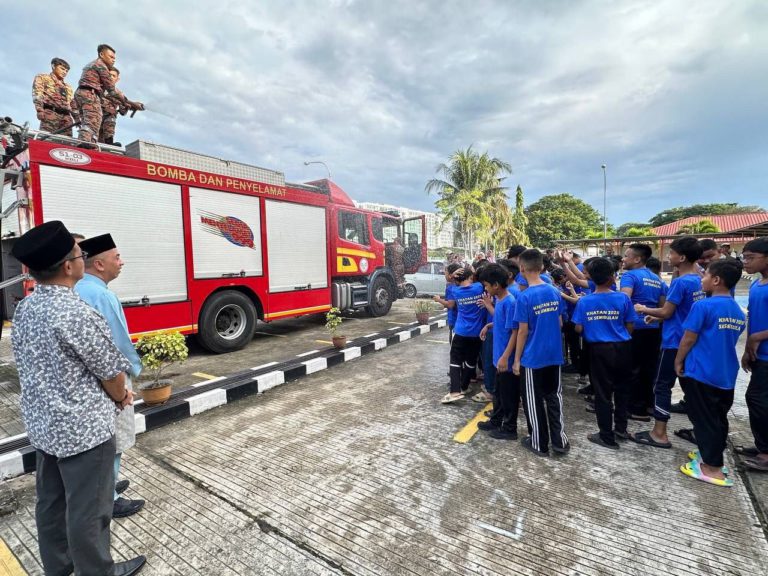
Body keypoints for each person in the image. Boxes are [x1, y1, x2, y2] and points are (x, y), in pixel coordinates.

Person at [10, 221, 146, 576]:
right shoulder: (77, 313)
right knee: (90, 512)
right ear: (69, 266)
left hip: (44, 428)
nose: (83, 259)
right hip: (84, 433)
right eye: (79, 254)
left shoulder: (25, 309)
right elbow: (110, 373)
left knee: (51, 504)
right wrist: (121, 396)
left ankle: (59, 567)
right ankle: (97, 572)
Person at [75, 234, 145, 518]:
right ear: (100, 264)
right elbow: (119, 343)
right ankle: (110, 497)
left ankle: (110, 485)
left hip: (88, 383)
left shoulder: (77, 289)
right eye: (117, 257)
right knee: (114, 439)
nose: (122, 262)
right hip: (110, 380)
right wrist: (133, 374)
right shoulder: (102, 295)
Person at [675, 259, 746, 486]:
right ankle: (711, 455)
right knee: (717, 418)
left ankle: (712, 468)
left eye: (704, 276)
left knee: (703, 419)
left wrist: (678, 360)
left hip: (702, 371)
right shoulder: (736, 309)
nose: (701, 280)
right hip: (725, 374)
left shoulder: (703, 306)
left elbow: (689, 338)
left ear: (716, 280)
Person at [632, 236, 705, 448]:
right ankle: (700, 430)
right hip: (690, 340)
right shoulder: (699, 280)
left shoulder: (681, 282)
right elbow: (679, 312)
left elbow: (667, 310)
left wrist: (643, 308)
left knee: (662, 385)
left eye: (671, 253)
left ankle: (659, 433)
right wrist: (657, 317)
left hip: (674, 341)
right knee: (690, 387)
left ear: (682, 257)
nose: (668, 256)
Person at [572, 258, 635, 449]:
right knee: (622, 390)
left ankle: (606, 435)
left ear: (590, 278)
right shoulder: (623, 298)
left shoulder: (585, 301)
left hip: (599, 350)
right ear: (612, 277)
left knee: (603, 393)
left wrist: (594, 330)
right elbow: (630, 325)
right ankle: (621, 429)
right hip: (623, 348)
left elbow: (578, 328)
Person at [512, 249, 569, 456]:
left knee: (533, 401)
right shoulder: (554, 291)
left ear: (521, 268)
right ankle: (560, 441)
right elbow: (560, 322)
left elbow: (523, 331)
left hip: (533, 358)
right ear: (542, 267)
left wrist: (517, 360)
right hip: (554, 354)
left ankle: (538, 442)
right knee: (554, 397)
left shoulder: (524, 297)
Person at [620, 244, 665, 421]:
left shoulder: (629, 276)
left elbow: (624, 301)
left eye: (626, 256)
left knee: (631, 369)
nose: (623, 259)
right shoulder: (657, 279)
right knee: (649, 369)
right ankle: (648, 405)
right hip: (653, 328)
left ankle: (634, 408)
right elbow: (662, 306)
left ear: (637, 259)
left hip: (635, 328)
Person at [478, 263, 520, 439]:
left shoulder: (509, 301)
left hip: (506, 361)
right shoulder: (501, 301)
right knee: (498, 393)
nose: (486, 289)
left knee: (508, 396)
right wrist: (489, 324)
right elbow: (503, 322)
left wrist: (505, 357)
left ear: (495, 285)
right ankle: (496, 420)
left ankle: (510, 428)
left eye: (487, 285)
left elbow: (515, 332)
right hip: (499, 358)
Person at [74, 44, 143, 144]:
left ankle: (89, 145)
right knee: (92, 122)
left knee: (90, 121)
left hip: (82, 93)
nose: (113, 60)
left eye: (114, 58)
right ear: (101, 54)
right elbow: (112, 91)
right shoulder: (101, 66)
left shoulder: (93, 64)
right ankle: (84, 144)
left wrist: (127, 104)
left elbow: (112, 95)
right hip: (90, 94)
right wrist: (131, 103)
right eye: (111, 57)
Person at [437, 266, 485, 403]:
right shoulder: (479, 288)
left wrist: (453, 277)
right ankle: (464, 386)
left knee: (455, 360)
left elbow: (452, 283)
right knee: (471, 361)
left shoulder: (456, 291)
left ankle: (455, 391)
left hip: (461, 331)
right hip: (477, 333)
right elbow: (477, 277)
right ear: (471, 277)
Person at [740, 237, 768, 472]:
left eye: (750, 258)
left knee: (758, 400)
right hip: (759, 354)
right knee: (757, 400)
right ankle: (762, 446)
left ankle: (766, 452)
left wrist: (757, 338)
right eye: (744, 257)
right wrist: (749, 348)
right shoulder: (755, 285)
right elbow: (753, 317)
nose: (745, 262)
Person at [32, 57, 78, 136]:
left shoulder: (68, 87)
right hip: (50, 114)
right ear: (53, 66)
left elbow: (73, 104)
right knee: (47, 139)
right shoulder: (43, 77)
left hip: (66, 118)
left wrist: (77, 118)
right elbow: (37, 94)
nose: (65, 72)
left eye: (66, 71)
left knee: (66, 143)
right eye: (62, 69)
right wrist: (39, 110)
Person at [99, 68, 129, 145]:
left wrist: (127, 107)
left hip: (108, 119)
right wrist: (106, 108)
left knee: (111, 118)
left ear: (117, 79)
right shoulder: (97, 87)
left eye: (113, 76)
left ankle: (109, 142)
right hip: (95, 115)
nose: (111, 77)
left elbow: (123, 112)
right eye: (109, 75)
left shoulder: (119, 94)